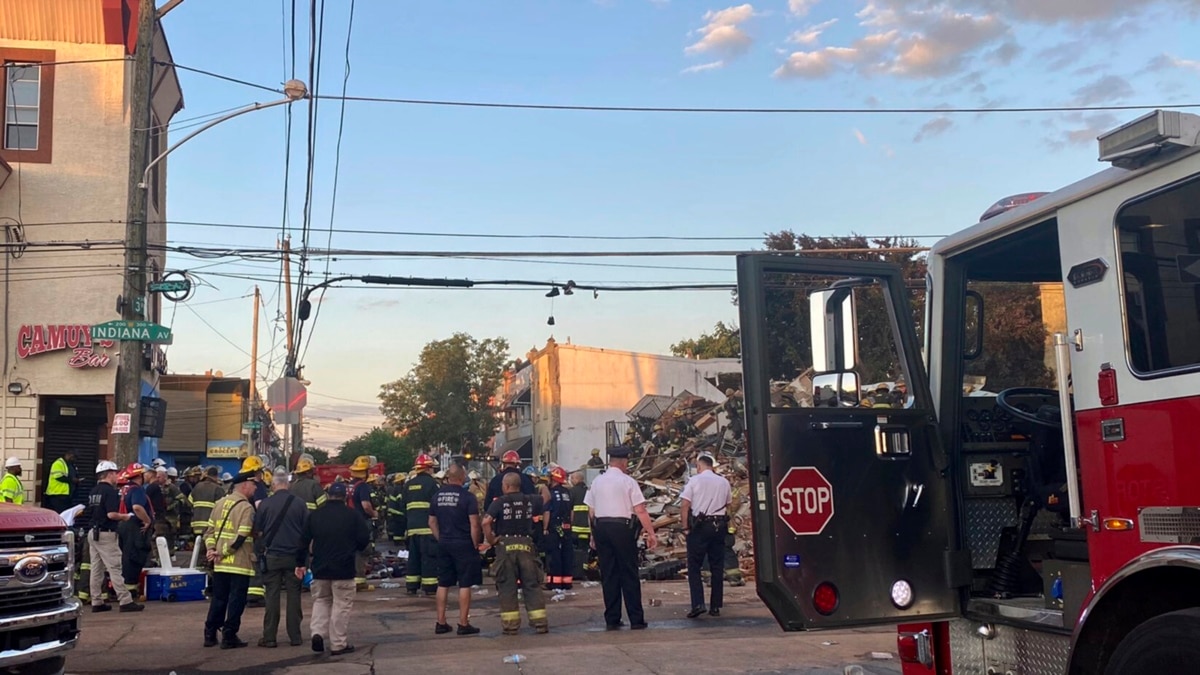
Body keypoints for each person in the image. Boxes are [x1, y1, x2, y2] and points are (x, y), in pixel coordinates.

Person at [584, 445, 658, 631]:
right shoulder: (628, 481)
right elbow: (640, 510)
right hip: (622, 529)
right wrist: (650, 533)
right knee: (629, 573)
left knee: (609, 574)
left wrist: (593, 534)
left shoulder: (597, 481)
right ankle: (636, 619)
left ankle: (612, 618)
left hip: (602, 528)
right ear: (624, 462)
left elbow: (590, 511)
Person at [299, 481, 370, 656]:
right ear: (345, 497)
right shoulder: (352, 515)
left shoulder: (315, 515)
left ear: (328, 495)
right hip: (344, 569)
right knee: (341, 605)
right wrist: (354, 548)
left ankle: (317, 633)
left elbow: (303, 541)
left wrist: (300, 563)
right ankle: (338, 643)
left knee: (321, 601)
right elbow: (363, 539)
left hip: (320, 568)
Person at [482, 472, 549, 635]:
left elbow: (485, 521)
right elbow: (546, 498)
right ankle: (540, 622)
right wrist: (543, 485)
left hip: (505, 546)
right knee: (532, 584)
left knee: (507, 586)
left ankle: (511, 626)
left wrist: (491, 540)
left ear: (505, 486)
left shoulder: (499, 502)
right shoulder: (530, 500)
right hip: (526, 545)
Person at [203, 470, 260, 649]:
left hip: (220, 565)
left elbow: (209, 532)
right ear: (245, 485)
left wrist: (212, 550)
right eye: (253, 484)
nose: (256, 487)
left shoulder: (219, 503)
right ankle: (229, 635)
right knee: (236, 600)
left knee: (219, 599)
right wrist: (223, 552)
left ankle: (210, 633)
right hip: (238, 563)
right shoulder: (246, 507)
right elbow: (242, 535)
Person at [254, 472, 308, 648]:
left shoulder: (265, 504)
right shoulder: (300, 504)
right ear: (288, 485)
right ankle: (295, 636)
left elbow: (257, 532)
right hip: (294, 557)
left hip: (272, 557)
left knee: (272, 596)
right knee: (294, 596)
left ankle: (269, 637)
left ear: (273, 485)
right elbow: (307, 532)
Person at [428, 464, 483, 636]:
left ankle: (441, 622)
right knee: (464, 583)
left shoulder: (437, 496)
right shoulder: (467, 497)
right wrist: (476, 544)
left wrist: (441, 538)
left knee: (443, 583)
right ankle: (463, 623)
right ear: (461, 477)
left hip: (444, 543)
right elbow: (474, 524)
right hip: (464, 544)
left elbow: (431, 522)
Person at [86, 460, 144, 613]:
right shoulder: (110, 492)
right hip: (106, 534)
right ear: (109, 474)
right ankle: (125, 600)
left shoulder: (94, 491)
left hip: (93, 532)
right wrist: (126, 516)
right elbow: (111, 514)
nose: (117, 477)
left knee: (96, 569)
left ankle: (97, 601)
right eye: (115, 474)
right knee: (115, 568)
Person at [679, 453, 732, 618]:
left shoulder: (694, 481)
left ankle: (698, 604)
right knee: (717, 566)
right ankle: (715, 606)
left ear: (699, 466)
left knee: (694, 566)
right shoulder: (724, 481)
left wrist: (685, 527)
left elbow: (685, 505)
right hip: (719, 526)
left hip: (700, 527)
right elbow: (729, 505)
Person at [403, 454, 440, 596]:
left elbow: (403, 507)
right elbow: (437, 507)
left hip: (412, 529)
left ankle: (411, 586)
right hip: (428, 529)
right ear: (428, 468)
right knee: (428, 558)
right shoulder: (432, 484)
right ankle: (430, 587)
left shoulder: (408, 485)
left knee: (413, 558)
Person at [119, 463, 154, 598]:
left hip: (123, 525)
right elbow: (137, 507)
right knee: (134, 558)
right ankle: (131, 591)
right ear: (139, 476)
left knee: (125, 557)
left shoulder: (124, 489)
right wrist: (147, 520)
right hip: (134, 527)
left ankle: (126, 589)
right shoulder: (137, 490)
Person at [543, 466, 575, 590]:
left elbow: (547, 512)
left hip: (554, 526)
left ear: (554, 479)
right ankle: (567, 582)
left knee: (554, 553)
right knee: (567, 553)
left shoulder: (550, 495)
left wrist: (545, 528)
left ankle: (554, 582)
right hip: (566, 526)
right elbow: (572, 512)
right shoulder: (568, 493)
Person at [385, 472, 407, 549]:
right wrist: (404, 510)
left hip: (393, 510)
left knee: (396, 526)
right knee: (400, 527)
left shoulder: (394, 488)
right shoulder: (399, 489)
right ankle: (398, 541)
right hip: (398, 511)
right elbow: (400, 500)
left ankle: (397, 540)